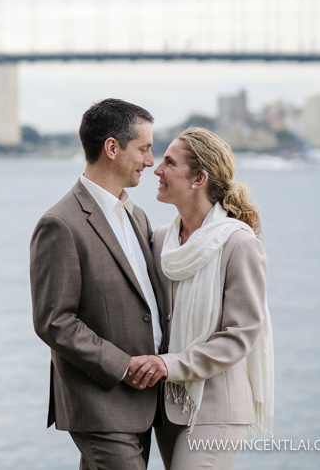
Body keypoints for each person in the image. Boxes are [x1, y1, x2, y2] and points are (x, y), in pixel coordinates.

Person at [29, 98, 169, 470]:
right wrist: (124, 366)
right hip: (99, 400)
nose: (150, 161)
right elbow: (54, 321)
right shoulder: (60, 224)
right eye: (143, 149)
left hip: (146, 401)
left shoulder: (137, 216)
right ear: (112, 148)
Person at [127, 127, 274, 470]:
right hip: (166, 404)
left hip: (216, 407)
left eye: (169, 162)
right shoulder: (162, 240)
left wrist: (169, 365)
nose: (156, 169)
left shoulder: (239, 244)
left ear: (198, 179)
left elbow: (240, 335)